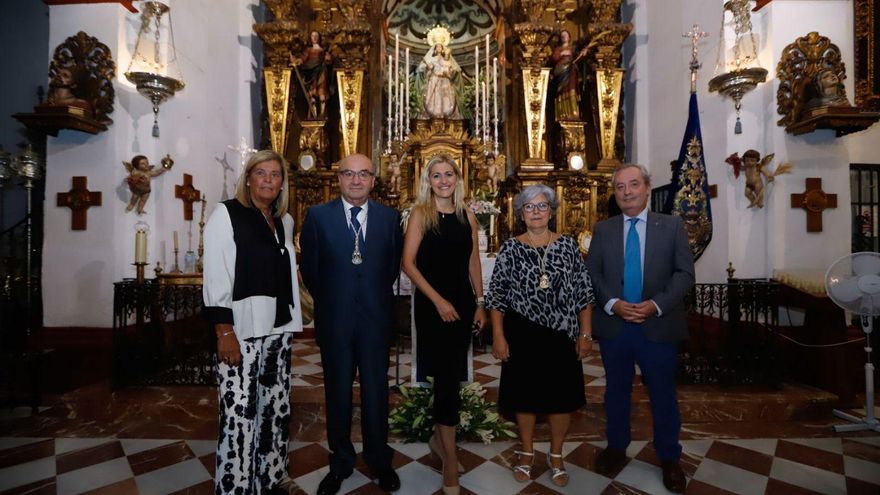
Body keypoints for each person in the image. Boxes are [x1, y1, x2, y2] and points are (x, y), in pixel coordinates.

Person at [585, 163, 695, 493]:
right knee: (616, 392)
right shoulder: (603, 230)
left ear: (647, 188)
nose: (627, 192)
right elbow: (592, 276)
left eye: (633, 185)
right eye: (620, 187)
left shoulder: (672, 226)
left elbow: (685, 275)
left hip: (657, 325)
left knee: (662, 394)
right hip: (616, 326)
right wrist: (613, 304)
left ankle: (669, 457)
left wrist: (655, 305)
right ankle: (617, 447)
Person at [299, 153, 403, 495]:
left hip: (376, 321)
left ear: (374, 180)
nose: (356, 181)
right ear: (339, 178)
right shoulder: (317, 216)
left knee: (376, 393)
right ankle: (341, 461)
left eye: (363, 175)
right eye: (348, 174)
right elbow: (311, 272)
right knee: (338, 393)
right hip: (335, 321)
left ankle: (379, 460)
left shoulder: (391, 219)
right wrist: (338, 300)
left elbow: (389, 269)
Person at [202, 149, 303, 494]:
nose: (269, 180)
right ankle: (235, 487)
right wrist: (223, 330)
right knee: (239, 412)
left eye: (275, 175)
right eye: (261, 173)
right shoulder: (226, 214)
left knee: (275, 409)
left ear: (282, 183)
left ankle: (271, 478)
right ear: (248, 178)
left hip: (278, 328)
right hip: (241, 329)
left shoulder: (284, 221)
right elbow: (216, 274)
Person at [485, 183, 594, 488]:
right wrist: (498, 335)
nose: (535, 212)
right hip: (521, 333)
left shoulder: (568, 246)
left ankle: (556, 454)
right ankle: (526, 452)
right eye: (529, 207)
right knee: (525, 397)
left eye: (542, 206)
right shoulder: (510, 247)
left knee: (561, 398)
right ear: (521, 212)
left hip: (561, 333)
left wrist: (585, 333)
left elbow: (584, 293)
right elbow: (497, 296)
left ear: (551, 211)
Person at [401, 156, 487, 495]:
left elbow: (473, 261)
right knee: (445, 377)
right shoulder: (421, 214)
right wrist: (437, 300)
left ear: (457, 177)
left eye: (448, 174)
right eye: (436, 175)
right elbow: (408, 264)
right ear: (428, 181)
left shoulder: (468, 215)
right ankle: (450, 458)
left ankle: (442, 442)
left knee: (451, 376)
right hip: (433, 306)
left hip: (463, 305)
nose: (443, 180)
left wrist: (480, 303)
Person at [290, 31, 332, 117]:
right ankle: (314, 114)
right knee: (312, 93)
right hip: (311, 73)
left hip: (321, 72)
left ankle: (322, 113)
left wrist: (328, 59)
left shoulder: (323, 50)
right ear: (310, 38)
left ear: (319, 37)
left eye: (316, 36)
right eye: (313, 36)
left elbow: (329, 62)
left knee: (321, 91)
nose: (315, 38)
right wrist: (297, 62)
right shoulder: (308, 50)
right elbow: (302, 59)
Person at [550, 30, 587, 120]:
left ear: (569, 37)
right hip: (560, 73)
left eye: (566, 35)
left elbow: (578, 58)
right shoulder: (558, 49)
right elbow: (553, 58)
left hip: (571, 72)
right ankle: (562, 113)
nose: (564, 37)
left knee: (571, 89)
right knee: (561, 91)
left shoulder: (573, 48)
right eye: (562, 35)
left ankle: (573, 111)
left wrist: (583, 53)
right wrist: (562, 53)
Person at [420, 43, 461, 119]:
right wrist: (426, 64)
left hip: (445, 80)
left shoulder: (446, 60)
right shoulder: (433, 59)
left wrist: (449, 72)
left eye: (440, 47)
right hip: (435, 79)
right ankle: (435, 114)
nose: (439, 48)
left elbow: (451, 71)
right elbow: (429, 68)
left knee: (446, 97)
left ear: (442, 49)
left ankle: (446, 113)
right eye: (437, 47)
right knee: (435, 96)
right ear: (435, 49)